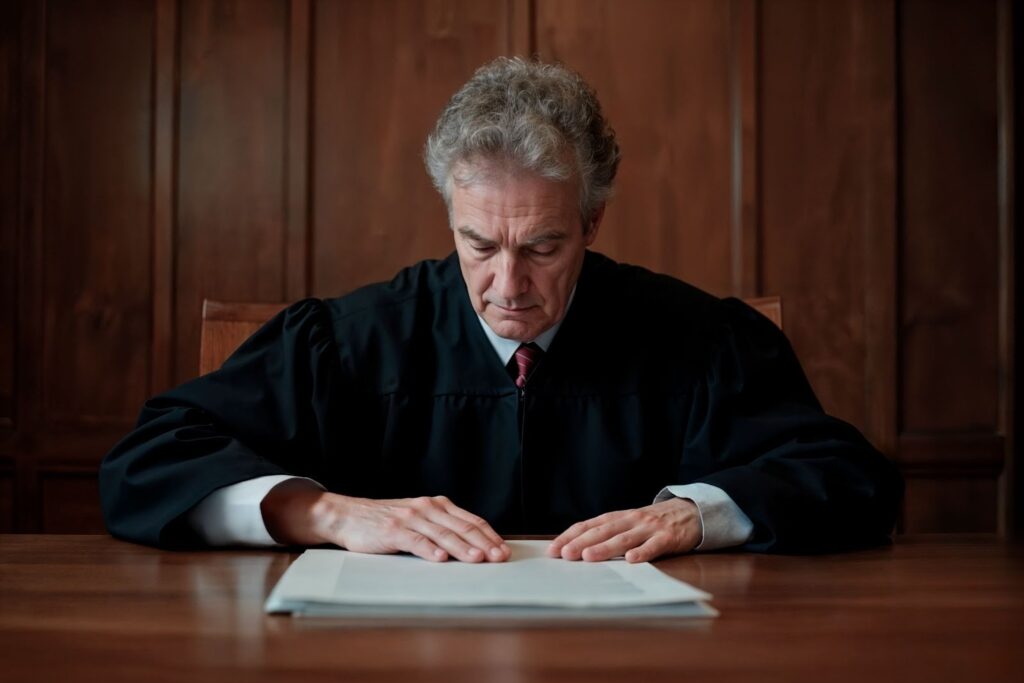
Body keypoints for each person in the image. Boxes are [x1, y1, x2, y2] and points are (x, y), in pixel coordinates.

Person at [100, 57, 903, 564]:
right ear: (450, 215)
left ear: (592, 222)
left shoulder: (698, 341)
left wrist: (700, 516)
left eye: (543, 247)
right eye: (478, 244)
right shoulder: (347, 343)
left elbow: (849, 479)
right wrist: (327, 513)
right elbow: (147, 462)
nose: (508, 284)